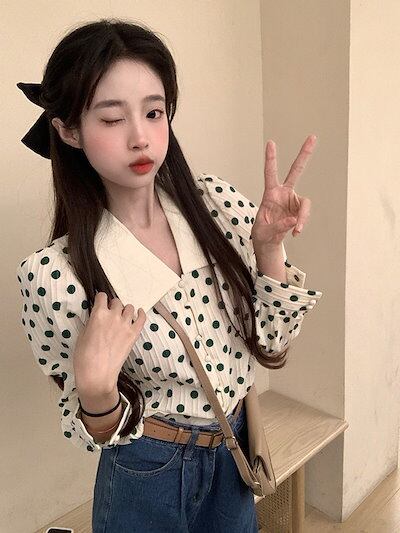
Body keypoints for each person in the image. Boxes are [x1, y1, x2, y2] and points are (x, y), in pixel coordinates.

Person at [15, 18, 322, 533]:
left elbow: (272, 344)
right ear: (68, 131)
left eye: (154, 112)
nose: (141, 137)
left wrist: (269, 249)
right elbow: (90, 427)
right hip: (147, 469)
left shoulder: (215, 205)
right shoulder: (54, 275)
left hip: (233, 449)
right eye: (112, 118)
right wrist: (96, 391)